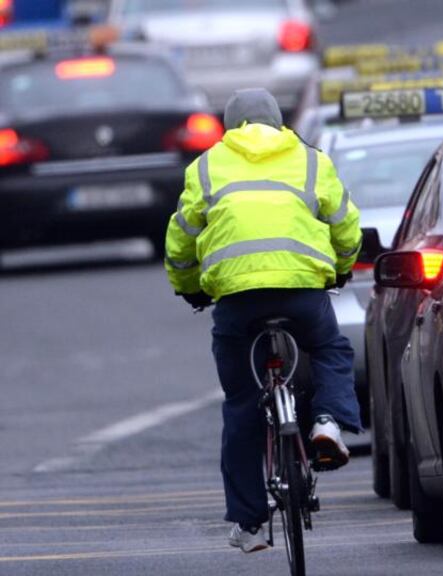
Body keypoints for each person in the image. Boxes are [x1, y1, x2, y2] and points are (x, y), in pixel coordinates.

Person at [163, 88, 363, 553]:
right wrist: (343, 265)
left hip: (237, 299)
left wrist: (189, 285)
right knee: (331, 348)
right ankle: (328, 424)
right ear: (279, 122)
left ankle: (250, 525)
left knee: (240, 404)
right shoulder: (312, 160)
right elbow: (344, 225)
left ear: (230, 127)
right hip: (300, 292)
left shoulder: (208, 166)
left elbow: (181, 241)